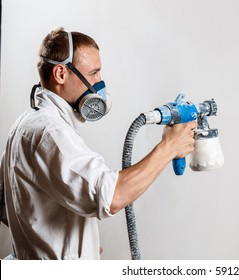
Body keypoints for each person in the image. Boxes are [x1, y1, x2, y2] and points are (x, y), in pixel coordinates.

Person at [0, 27, 197, 259]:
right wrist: (169, 147)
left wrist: (78, 249)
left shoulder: (25, 123)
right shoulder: (50, 132)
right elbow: (111, 196)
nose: (99, 83)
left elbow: (6, 206)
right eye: (94, 73)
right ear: (61, 74)